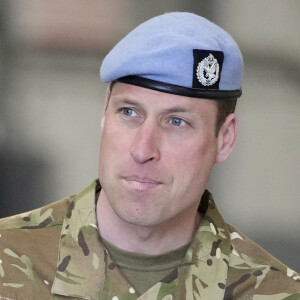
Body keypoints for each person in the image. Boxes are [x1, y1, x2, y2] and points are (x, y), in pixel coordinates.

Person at [0, 12, 299, 300]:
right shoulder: (7, 257)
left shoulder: (273, 292)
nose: (143, 150)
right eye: (128, 112)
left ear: (225, 138)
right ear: (104, 112)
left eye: (177, 122)